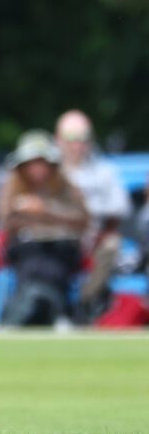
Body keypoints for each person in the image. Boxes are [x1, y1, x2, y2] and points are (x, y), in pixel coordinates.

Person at [0, 130, 90, 326]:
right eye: (32, 164)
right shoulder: (13, 185)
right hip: (26, 247)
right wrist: (24, 214)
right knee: (33, 264)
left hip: (61, 247)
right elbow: (4, 222)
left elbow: (83, 220)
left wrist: (46, 211)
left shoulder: (66, 185)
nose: (37, 169)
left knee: (51, 266)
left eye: (42, 163)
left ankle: (36, 304)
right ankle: (45, 306)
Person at [55, 110, 131, 312]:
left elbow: (121, 207)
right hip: (58, 237)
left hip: (96, 236)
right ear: (58, 140)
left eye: (83, 138)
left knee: (112, 244)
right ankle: (55, 304)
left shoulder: (105, 171)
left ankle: (84, 302)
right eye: (71, 138)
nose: (78, 144)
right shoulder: (49, 171)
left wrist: (88, 211)